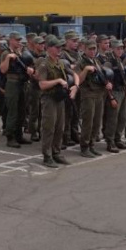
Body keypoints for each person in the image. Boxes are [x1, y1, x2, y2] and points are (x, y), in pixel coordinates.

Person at [36, 35, 79, 168]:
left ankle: (57, 152)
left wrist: (75, 87)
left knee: (60, 127)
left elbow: (75, 74)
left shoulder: (61, 63)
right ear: (49, 48)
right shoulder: (44, 63)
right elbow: (42, 85)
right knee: (49, 127)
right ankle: (47, 156)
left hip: (60, 99)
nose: (59, 49)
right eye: (56, 47)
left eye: (60, 47)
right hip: (49, 99)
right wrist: (58, 81)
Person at [0, 31, 34, 147]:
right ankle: (10, 137)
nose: (19, 42)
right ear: (11, 40)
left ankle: (19, 135)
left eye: (20, 40)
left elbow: (30, 64)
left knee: (22, 111)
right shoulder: (6, 53)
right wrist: (8, 58)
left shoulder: (22, 52)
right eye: (17, 40)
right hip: (12, 83)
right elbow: (3, 70)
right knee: (12, 111)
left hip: (22, 83)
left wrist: (30, 70)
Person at [76, 39, 108, 157]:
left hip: (99, 94)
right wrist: (85, 70)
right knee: (88, 122)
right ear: (85, 49)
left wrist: (107, 84)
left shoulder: (96, 61)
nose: (92, 51)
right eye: (90, 49)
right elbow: (78, 80)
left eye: (94, 48)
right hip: (88, 94)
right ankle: (84, 147)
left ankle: (92, 144)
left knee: (96, 122)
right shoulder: (81, 62)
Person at [102, 40, 126, 152]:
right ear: (112, 49)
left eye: (121, 48)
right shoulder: (109, 62)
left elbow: (123, 77)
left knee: (123, 118)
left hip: (122, 91)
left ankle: (118, 139)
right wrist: (111, 97)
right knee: (112, 119)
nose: (120, 50)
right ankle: (110, 141)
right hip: (114, 92)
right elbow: (106, 81)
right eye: (117, 48)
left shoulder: (120, 60)